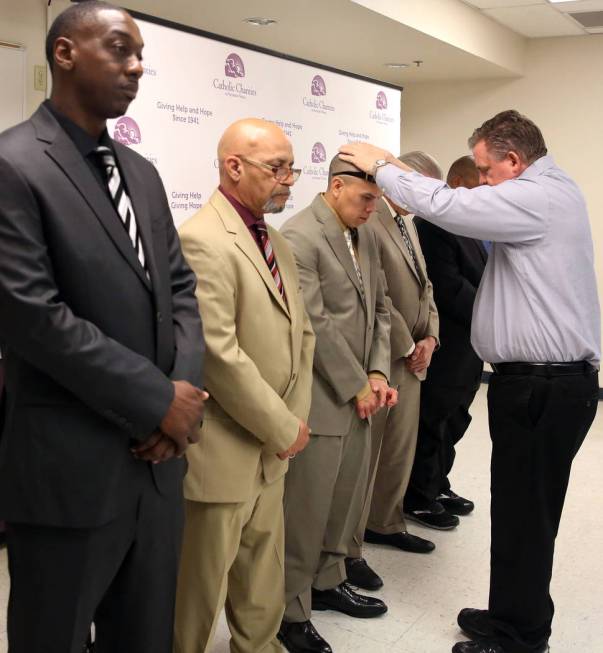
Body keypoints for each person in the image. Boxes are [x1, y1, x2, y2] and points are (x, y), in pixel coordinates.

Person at [339, 109, 600, 653]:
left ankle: (519, 635)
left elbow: (446, 204)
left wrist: (380, 164)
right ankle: (511, 614)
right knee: (520, 510)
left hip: (541, 387)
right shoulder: (554, 189)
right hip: (544, 386)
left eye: (485, 169)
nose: (481, 180)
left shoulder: (536, 195)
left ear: (513, 159)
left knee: (525, 516)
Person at [0, 3, 207, 653]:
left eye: (140, 52)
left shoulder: (141, 175)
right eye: (120, 48)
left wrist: (180, 395)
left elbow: (180, 291)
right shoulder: (13, 165)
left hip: (156, 471)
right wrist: (155, 400)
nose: (137, 65)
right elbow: (34, 316)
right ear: (65, 53)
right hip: (69, 474)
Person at [174, 118, 315, 653]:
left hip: (274, 449)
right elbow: (218, 354)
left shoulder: (274, 237)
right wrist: (282, 426)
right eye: (276, 167)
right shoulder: (202, 239)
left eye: (291, 167)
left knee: (262, 587)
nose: (288, 180)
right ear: (234, 167)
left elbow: (302, 333)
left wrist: (291, 424)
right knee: (196, 597)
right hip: (223, 451)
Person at [279, 155, 397, 653]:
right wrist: (355, 383)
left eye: (377, 200)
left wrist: (377, 371)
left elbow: (382, 307)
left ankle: (327, 584)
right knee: (305, 511)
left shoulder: (365, 233)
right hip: (324, 396)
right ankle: (290, 609)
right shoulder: (299, 235)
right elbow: (314, 322)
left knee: (344, 500)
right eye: (366, 198)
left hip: (361, 394)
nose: (374, 209)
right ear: (335, 186)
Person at [348, 151, 443, 583]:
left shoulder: (408, 224)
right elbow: (380, 295)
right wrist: (408, 344)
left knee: (399, 451)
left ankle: (386, 522)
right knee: (370, 455)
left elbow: (426, 286)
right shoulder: (373, 220)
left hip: (415, 356)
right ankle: (352, 537)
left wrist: (431, 337)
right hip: (386, 357)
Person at [404, 155, 487, 525]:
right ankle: (418, 496)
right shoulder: (431, 226)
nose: (485, 196)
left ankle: (439, 483)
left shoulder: (468, 226)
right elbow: (449, 288)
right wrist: (492, 312)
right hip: (447, 342)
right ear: (457, 182)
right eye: (479, 187)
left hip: (470, 344)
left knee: (457, 417)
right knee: (433, 420)